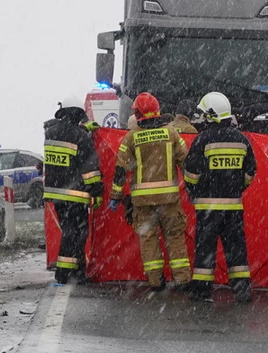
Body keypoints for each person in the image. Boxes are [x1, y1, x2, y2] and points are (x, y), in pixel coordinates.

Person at [110, 92, 191, 290]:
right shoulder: (172, 134)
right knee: (175, 238)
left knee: (148, 239)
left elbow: (120, 169)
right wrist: (192, 187)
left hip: (142, 202)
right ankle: (182, 281)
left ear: (137, 114)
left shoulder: (130, 138)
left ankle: (156, 281)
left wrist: (116, 196)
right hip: (169, 200)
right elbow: (186, 161)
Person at [183, 92, 257, 304]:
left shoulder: (203, 139)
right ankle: (242, 290)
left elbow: (191, 172)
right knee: (236, 248)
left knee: (205, 249)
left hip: (207, 207)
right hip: (233, 207)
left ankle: (201, 291)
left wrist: (194, 190)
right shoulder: (242, 139)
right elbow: (250, 171)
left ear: (211, 115)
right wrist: (236, 188)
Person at [43, 95, 103, 283]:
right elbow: (89, 167)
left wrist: (83, 130)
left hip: (56, 194)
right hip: (75, 194)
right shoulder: (80, 137)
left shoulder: (51, 133)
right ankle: (68, 272)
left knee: (69, 231)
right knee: (76, 232)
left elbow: (65, 152)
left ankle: (73, 270)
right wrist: (97, 190)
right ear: (77, 113)